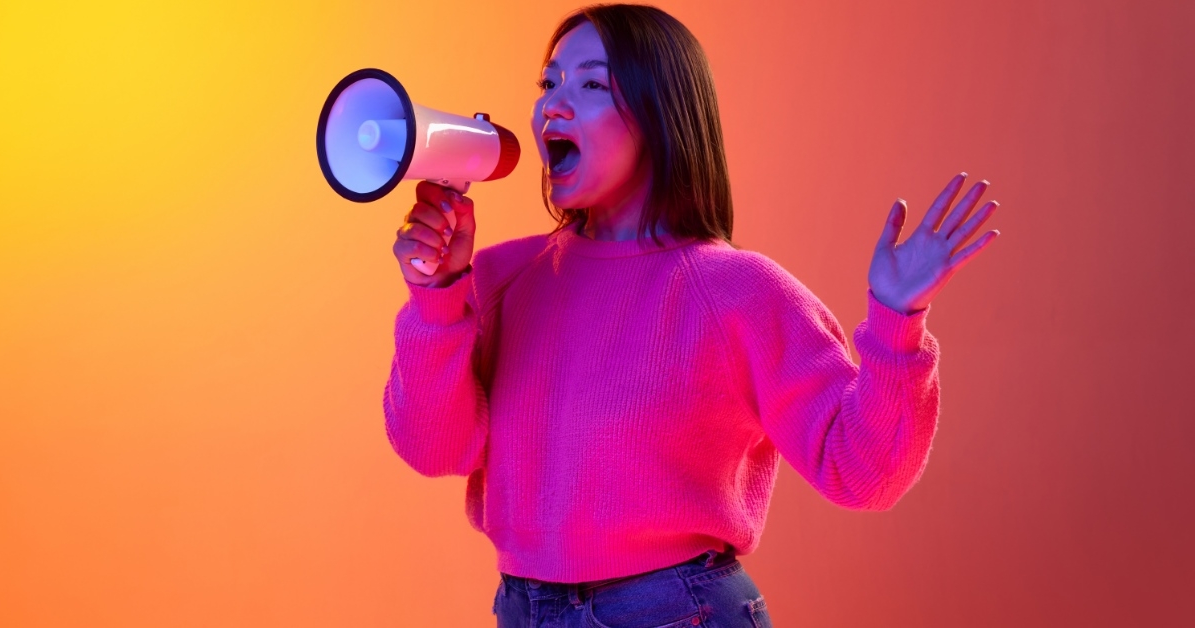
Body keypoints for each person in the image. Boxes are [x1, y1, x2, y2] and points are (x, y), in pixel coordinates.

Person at [385, 3, 999, 627]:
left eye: (592, 83)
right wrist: (437, 294)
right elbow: (437, 449)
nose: (553, 105)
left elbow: (862, 472)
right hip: (525, 609)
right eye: (549, 83)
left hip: (679, 611)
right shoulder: (499, 279)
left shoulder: (738, 293)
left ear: (662, 114)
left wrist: (898, 318)